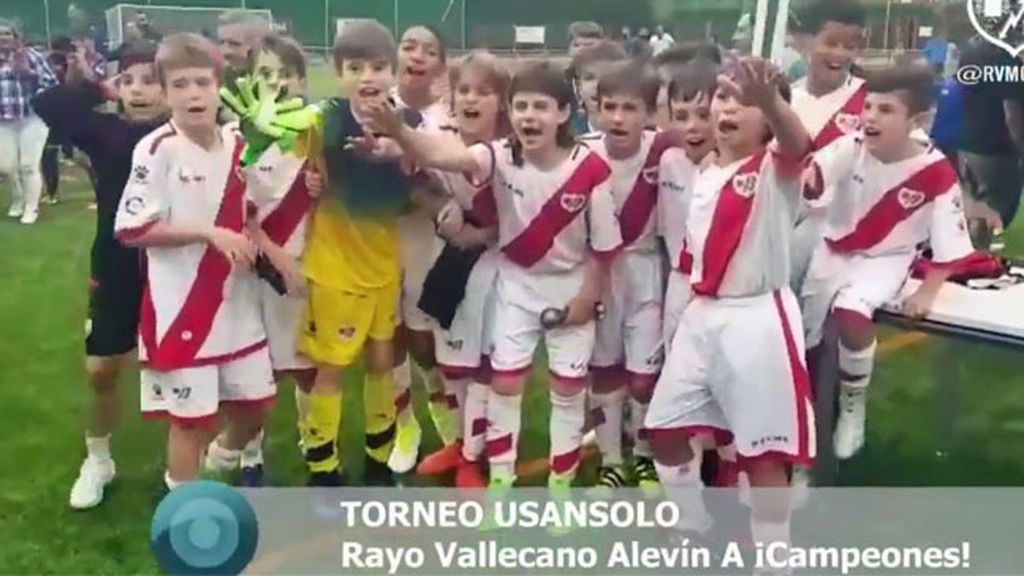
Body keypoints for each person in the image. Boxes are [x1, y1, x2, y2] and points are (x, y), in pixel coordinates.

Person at [367, 61, 622, 497]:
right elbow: (444, 155)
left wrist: (587, 297)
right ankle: (499, 477)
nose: (529, 116)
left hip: (570, 288)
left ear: (564, 113)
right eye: (521, 106)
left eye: (541, 106)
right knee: (504, 382)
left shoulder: (590, 169)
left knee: (566, 388)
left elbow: (603, 247)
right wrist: (401, 132)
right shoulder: (499, 154)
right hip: (517, 284)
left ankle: (561, 484)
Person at [645, 58, 813, 550]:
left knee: (764, 453)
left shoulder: (774, 168)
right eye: (723, 97)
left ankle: (773, 555)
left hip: (757, 318)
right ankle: (692, 527)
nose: (728, 109)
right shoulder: (705, 169)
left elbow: (798, 143)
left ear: (766, 115)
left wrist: (773, 103)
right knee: (665, 429)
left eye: (744, 101)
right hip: (703, 315)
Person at [114, 33, 274, 491]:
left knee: (257, 405)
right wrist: (207, 233)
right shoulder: (156, 149)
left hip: (238, 305)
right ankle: (184, 511)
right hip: (183, 306)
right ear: (165, 93)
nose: (192, 94)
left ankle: (223, 459)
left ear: (218, 85)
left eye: (201, 83)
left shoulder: (239, 143)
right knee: (189, 423)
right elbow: (131, 230)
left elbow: (251, 208)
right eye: (180, 85)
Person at [801, 66, 975, 460]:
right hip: (831, 250)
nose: (870, 117)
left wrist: (927, 292)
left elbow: (949, 240)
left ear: (916, 120)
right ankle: (805, 426)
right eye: (868, 106)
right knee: (807, 338)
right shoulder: (851, 146)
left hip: (886, 257)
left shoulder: (935, 171)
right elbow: (812, 178)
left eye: (885, 110)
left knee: (851, 313)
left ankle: (853, 401)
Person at [34, 39, 166, 509]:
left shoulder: (186, 131)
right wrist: (101, 88)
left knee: (178, 366)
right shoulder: (104, 130)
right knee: (102, 369)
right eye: (129, 81)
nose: (139, 90)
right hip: (114, 263)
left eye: (151, 80)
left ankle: (193, 460)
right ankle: (98, 459)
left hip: (177, 265)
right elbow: (45, 101)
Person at [296, 20, 420, 486]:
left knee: (381, 360)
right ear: (337, 71)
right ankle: (322, 464)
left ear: (394, 71)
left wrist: (397, 157)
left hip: (384, 263)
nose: (367, 76)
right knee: (332, 367)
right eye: (355, 67)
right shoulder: (321, 121)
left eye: (377, 66)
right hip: (336, 266)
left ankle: (379, 452)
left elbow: (415, 184)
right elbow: (294, 178)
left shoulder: (407, 124)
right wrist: (312, 182)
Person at [204, 34, 319, 487]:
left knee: (308, 364)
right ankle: (250, 454)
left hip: (312, 265)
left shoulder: (315, 132)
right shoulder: (236, 138)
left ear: (302, 80)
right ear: (251, 81)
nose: (277, 83)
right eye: (265, 74)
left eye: (285, 74)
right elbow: (235, 210)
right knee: (260, 368)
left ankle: (316, 442)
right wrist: (274, 256)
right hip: (257, 269)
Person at [413, 51, 510, 487]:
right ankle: (464, 444)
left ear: (502, 101)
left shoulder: (518, 145)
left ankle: (477, 455)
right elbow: (414, 177)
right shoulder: (437, 134)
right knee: (453, 361)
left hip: (504, 267)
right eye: (464, 90)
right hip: (454, 257)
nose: (471, 99)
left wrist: (487, 232)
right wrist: (441, 210)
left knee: (489, 363)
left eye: (484, 91)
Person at [582, 63, 675, 497]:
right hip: (599, 273)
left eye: (630, 108)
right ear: (595, 111)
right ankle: (611, 462)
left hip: (646, 271)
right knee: (605, 372)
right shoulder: (582, 154)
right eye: (609, 107)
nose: (618, 118)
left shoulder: (664, 149)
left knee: (643, 376)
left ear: (650, 112)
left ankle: (643, 455)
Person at [386, 25, 460, 476]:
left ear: (440, 64)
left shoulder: (446, 118)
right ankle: (403, 424)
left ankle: (443, 413)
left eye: (429, 50)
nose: (417, 55)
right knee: (386, 337)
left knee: (423, 339)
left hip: (424, 241)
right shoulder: (369, 105)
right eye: (409, 46)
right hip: (372, 238)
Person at [788, 0, 867, 294]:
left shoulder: (869, 101)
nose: (840, 54)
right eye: (831, 42)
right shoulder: (785, 97)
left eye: (850, 45)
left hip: (835, 234)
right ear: (807, 41)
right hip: (781, 222)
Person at [956, 35, 1024, 238]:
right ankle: (978, 259)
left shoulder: (971, 50)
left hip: (966, 143)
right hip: (996, 150)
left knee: (976, 208)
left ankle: (971, 256)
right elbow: (1011, 114)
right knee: (995, 212)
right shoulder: (1005, 61)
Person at [0, 18, 58, 225]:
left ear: (16, 37)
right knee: (8, 167)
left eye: (7, 33)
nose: (3, 38)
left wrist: (28, 74)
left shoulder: (32, 56)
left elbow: (52, 83)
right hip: (3, 121)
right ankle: (18, 200)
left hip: (32, 118)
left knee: (28, 165)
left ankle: (31, 208)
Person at [570, 41, 629, 135]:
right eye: (589, 78)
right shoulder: (563, 135)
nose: (597, 85)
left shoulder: (645, 137)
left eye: (607, 77)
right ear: (578, 86)